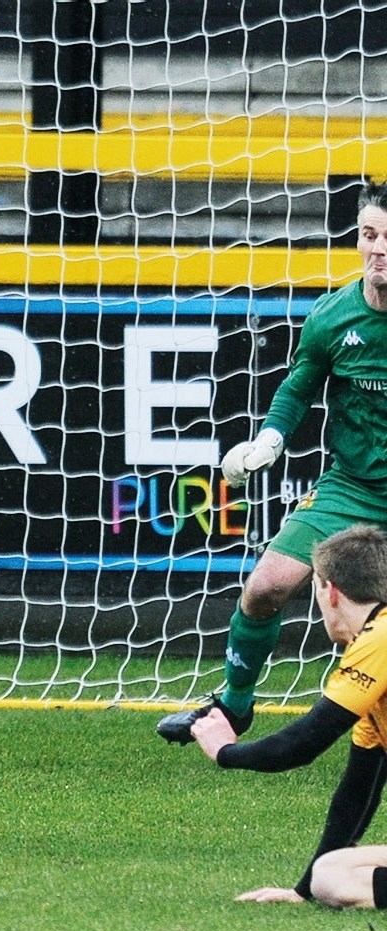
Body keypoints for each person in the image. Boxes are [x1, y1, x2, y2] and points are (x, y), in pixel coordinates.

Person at [159, 178, 387, 745]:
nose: (378, 249)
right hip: (351, 487)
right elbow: (298, 386)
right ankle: (234, 706)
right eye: (369, 235)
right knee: (266, 586)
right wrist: (269, 440)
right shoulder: (334, 315)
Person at [190, 523, 387, 908]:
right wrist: (302, 891)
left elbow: (303, 742)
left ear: (330, 591)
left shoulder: (378, 639)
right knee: (330, 872)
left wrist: (225, 751)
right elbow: (358, 789)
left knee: (333, 878)